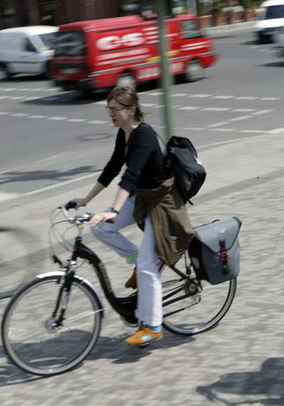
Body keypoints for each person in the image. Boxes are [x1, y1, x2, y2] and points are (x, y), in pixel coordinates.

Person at [71, 86, 195, 346]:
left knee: (151, 268)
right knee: (101, 228)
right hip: (141, 197)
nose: (110, 113)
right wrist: (86, 200)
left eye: (115, 109)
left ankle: (153, 327)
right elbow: (112, 168)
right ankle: (136, 261)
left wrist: (114, 210)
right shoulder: (123, 134)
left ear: (130, 110)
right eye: (109, 108)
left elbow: (130, 176)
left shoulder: (144, 136)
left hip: (161, 203)